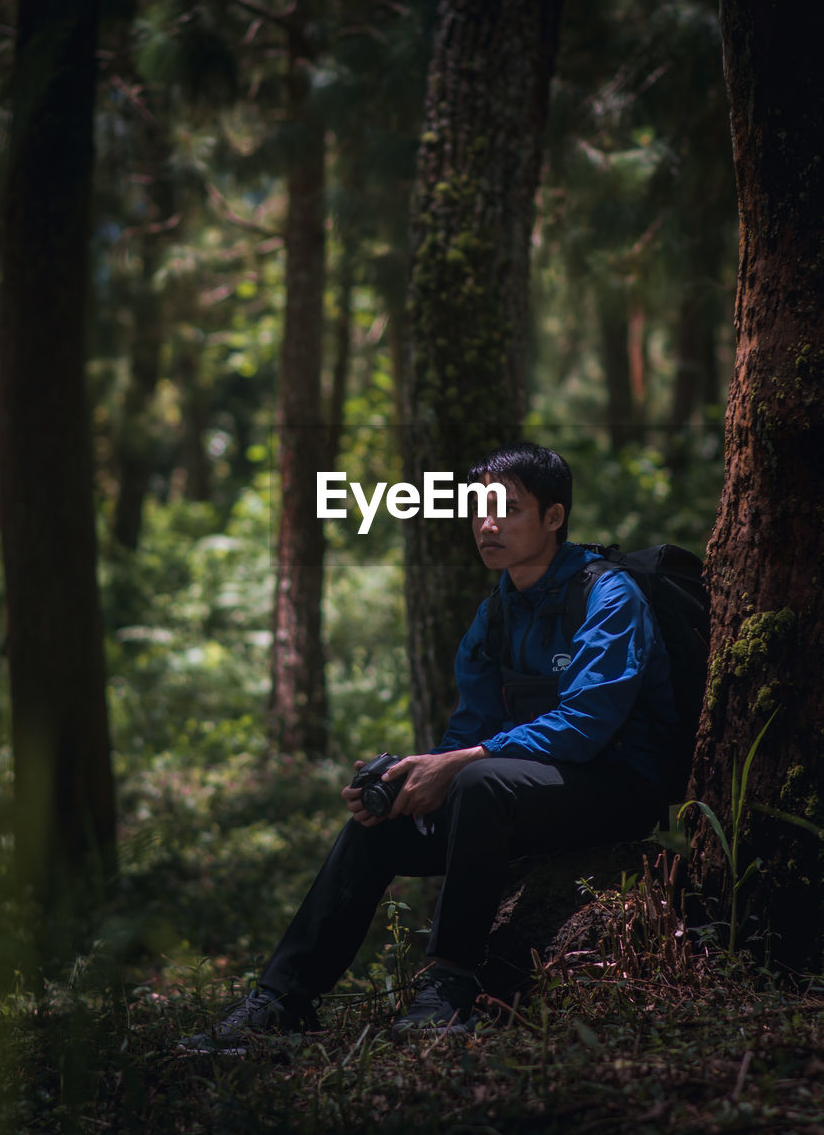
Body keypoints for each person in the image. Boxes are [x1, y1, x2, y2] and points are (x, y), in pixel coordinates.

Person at [179, 442, 677, 1053]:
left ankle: (450, 987)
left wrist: (462, 765)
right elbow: (469, 733)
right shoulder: (494, 614)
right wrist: (411, 778)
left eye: (509, 509)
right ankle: (284, 997)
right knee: (381, 820)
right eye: (479, 507)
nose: (487, 523)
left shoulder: (609, 597)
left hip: (619, 788)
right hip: (526, 795)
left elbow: (587, 723)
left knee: (476, 781)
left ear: (554, 517)